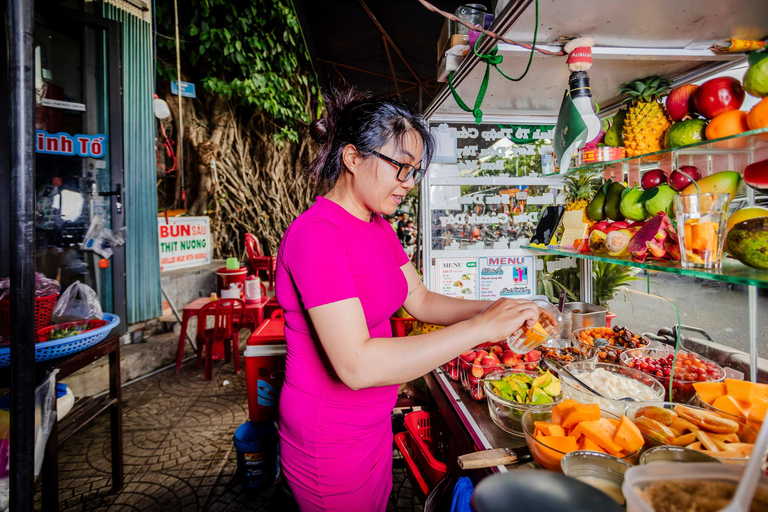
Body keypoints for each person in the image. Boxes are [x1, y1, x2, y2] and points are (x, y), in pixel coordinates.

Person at [275, 89, 541, 512]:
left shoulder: (377, 225)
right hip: (329, 436)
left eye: (414, 172)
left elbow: (419, 298)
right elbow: (356, 366)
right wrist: (480, 329)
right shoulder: (317, 235)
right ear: (352, 157)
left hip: (371, 424)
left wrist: (493, 309)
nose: (409, 183)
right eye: (401, 167)